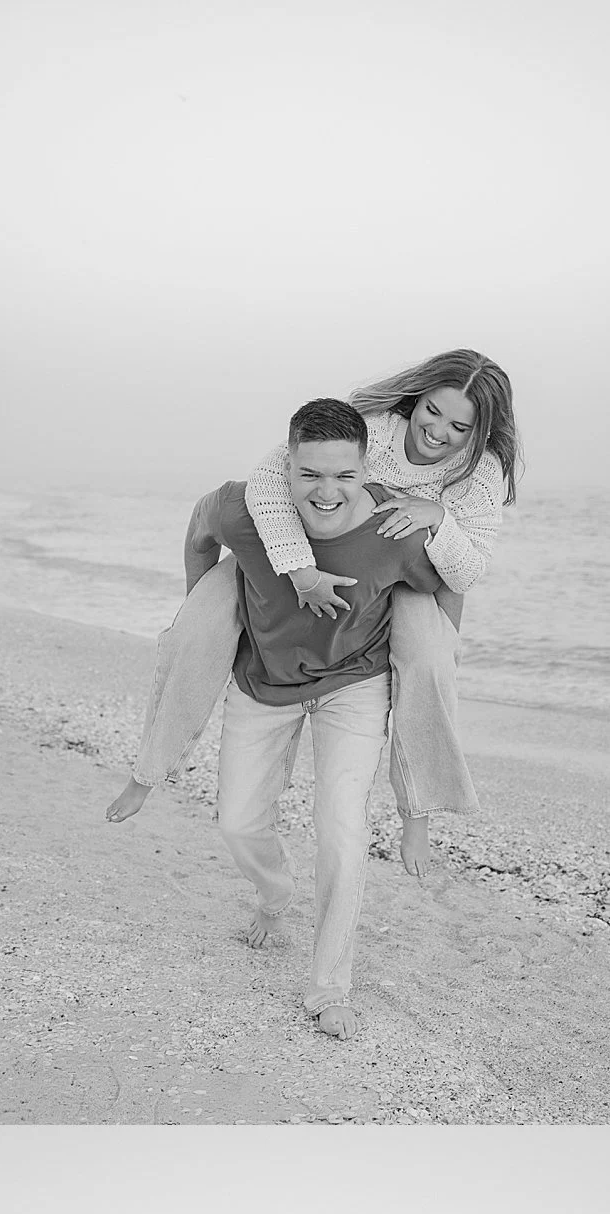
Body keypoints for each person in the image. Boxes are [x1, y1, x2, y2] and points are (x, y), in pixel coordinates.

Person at [107, 349, 522, 880]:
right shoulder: (371, 426)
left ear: (481, 430)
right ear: (417, 399)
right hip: (309, 551)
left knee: (432, 666)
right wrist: (297, 568)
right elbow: (271, 480)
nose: (437, 431)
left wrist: (438, 517)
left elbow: (466, 572)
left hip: (411, 566)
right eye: (432, 411)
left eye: (459, 425)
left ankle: (416, 811)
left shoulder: (479, 473)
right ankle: (149, 769)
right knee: (191, 630)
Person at [188, 399, 447, 1039]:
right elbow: (199, 531)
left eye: (343, 476)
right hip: (264, 680)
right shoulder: (243, 509)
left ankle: (329, 987)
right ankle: (275, 893)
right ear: (288, 465)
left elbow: (442, 588)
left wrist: (440, 670)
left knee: (342, 827)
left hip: (355, 685)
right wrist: (197, 614)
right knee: (239, 821)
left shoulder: (397, 532)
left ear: (366, 468)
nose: (327, 492)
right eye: (311, 475)